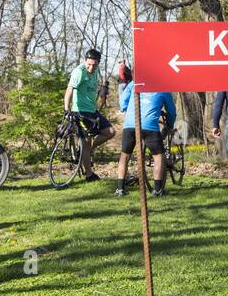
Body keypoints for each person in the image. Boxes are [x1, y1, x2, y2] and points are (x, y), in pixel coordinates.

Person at [114, 69, 176, 197]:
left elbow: (122, 101)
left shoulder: (134, 83)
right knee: (158, 156)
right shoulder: (163, 87)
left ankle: (120, 189)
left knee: (125, 155)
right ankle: (158, 189)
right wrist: (170, 124)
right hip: (150, 126)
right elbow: (171, 111)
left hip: (130, 124)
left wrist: (125, 109)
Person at [64, 48, 115, 181]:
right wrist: (66, 109)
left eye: (95, 64)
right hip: (80, 111)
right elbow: (69, 90)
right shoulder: (79, 72)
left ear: (98, 63)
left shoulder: (96, 70)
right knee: (86, 143)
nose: (91, 67)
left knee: (110, 132)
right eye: (89, 64)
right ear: (85, 61)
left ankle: (84, 153)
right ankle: (89, 175)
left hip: (93, 110)